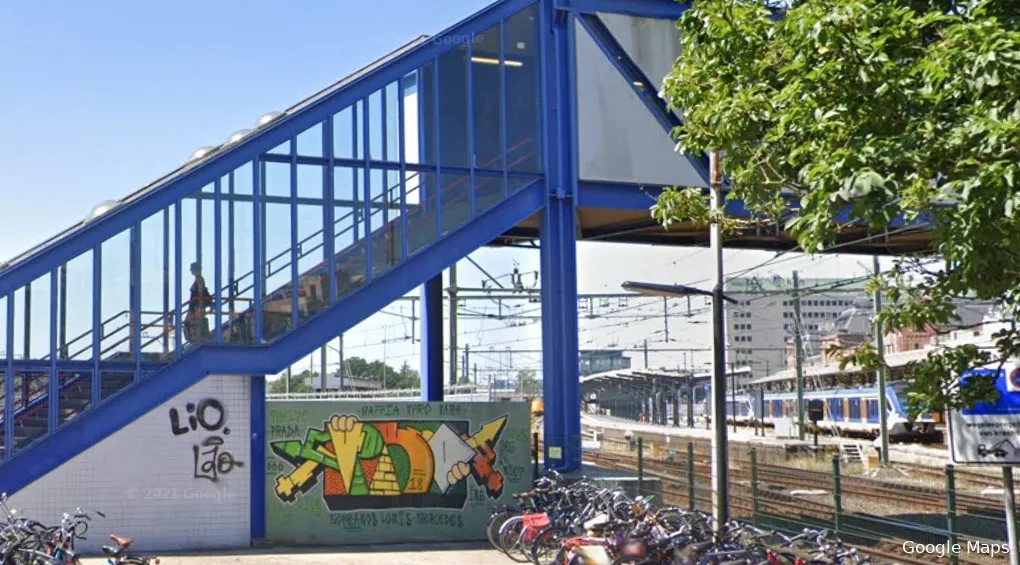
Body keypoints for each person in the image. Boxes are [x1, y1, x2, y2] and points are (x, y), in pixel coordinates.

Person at [184, 262, 212, 343]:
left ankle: (195, 339)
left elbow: (200, 293)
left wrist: (200, 305)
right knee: (188, 322)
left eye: (192, 269)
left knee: (190, 322)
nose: (191, 271)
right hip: (194, 305)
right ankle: (194, 338)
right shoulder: (197, 279)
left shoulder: (199, 279)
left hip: (196, 305)